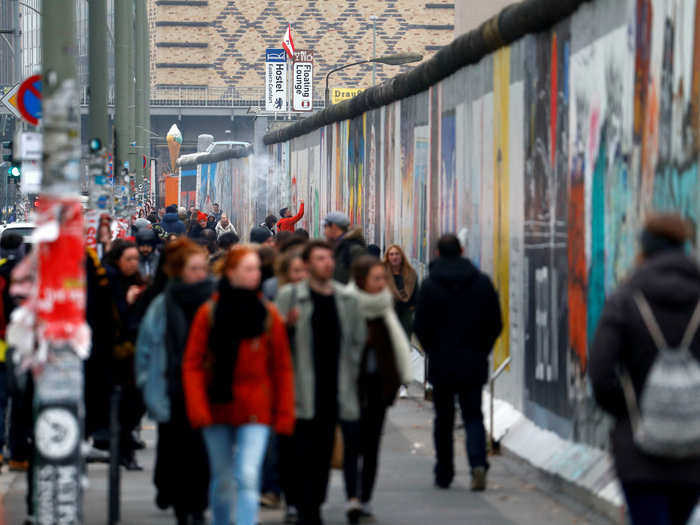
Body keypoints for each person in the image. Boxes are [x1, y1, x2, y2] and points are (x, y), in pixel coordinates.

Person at [589, 214, 700, 525]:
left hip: (639, 452)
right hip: (693, 452)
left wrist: (630, 411)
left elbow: (600, 373)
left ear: (644, 248)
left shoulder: (626, 300)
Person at [183, 245, 295, 525]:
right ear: (231, 272)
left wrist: (284, 414)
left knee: (247, 474)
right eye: (249, 269)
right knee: (221, 479)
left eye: (257, 268)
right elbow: (193, 364)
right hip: (215, 405)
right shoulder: (209, 314)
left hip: (255, 406)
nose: (256, 274)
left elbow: (282, 368)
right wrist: (197, 407)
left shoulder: (267, 315)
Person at [276, 240, 366, 525]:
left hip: (334, 391)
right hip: (301, 391)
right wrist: (287, 329)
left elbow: (357, 343)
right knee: (302, 455)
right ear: (308, 263)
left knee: (324, 455)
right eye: (319, 259)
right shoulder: (290, 296)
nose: (327, 263)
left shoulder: (346, 299)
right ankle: (306, 510)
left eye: (329, 258)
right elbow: (274, 345)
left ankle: (313, 503)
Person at [414, 234, 502, 491]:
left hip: (442, 363)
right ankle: (477, 464)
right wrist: (482, 349)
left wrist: (433, 349)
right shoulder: (482, 283)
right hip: (473, 362)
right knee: (473, 415)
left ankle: (444, 471)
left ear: (438, 253)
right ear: (462, 250)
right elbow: (494, 322)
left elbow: (420, 325)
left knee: (443, 418)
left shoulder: (430, 286)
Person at [136, 238, 214, 525]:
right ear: (179, 270)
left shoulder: (214, 300)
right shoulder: (161, 304)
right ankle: (183, 504)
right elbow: (145, 347)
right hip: (173, 387)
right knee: (177, 448)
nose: (200, 274)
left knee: (202, 450)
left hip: (205, 387)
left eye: (202, 268)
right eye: (194, 268)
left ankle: (198, 502)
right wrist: (147, 383)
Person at [342, 255, 412, 523]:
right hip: (349, 386)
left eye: (383, 278)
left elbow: (397, 348)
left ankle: (366, 497)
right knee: (351, 445)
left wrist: (396, 381)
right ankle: (352, 497)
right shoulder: (346, 305)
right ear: (361, 281)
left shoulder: (384, 308)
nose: (383, 284)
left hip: (378, 389)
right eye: (377, 279)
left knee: (371, 447)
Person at [103, 239, 148, 470]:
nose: (133, 264)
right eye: (128, 259)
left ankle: (124, 444)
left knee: (136, 402)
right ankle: (123, 448)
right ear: (117, 260)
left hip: (134, 352)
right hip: (115, 352)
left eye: (135, 260)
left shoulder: (135, 280)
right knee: (124, 402)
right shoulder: (110, 281)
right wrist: (129, 301)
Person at [323, 212, 367, 284]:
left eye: (325, 227)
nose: (324, 232)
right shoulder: (337, 246)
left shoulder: (353, 249)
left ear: (334, 226)